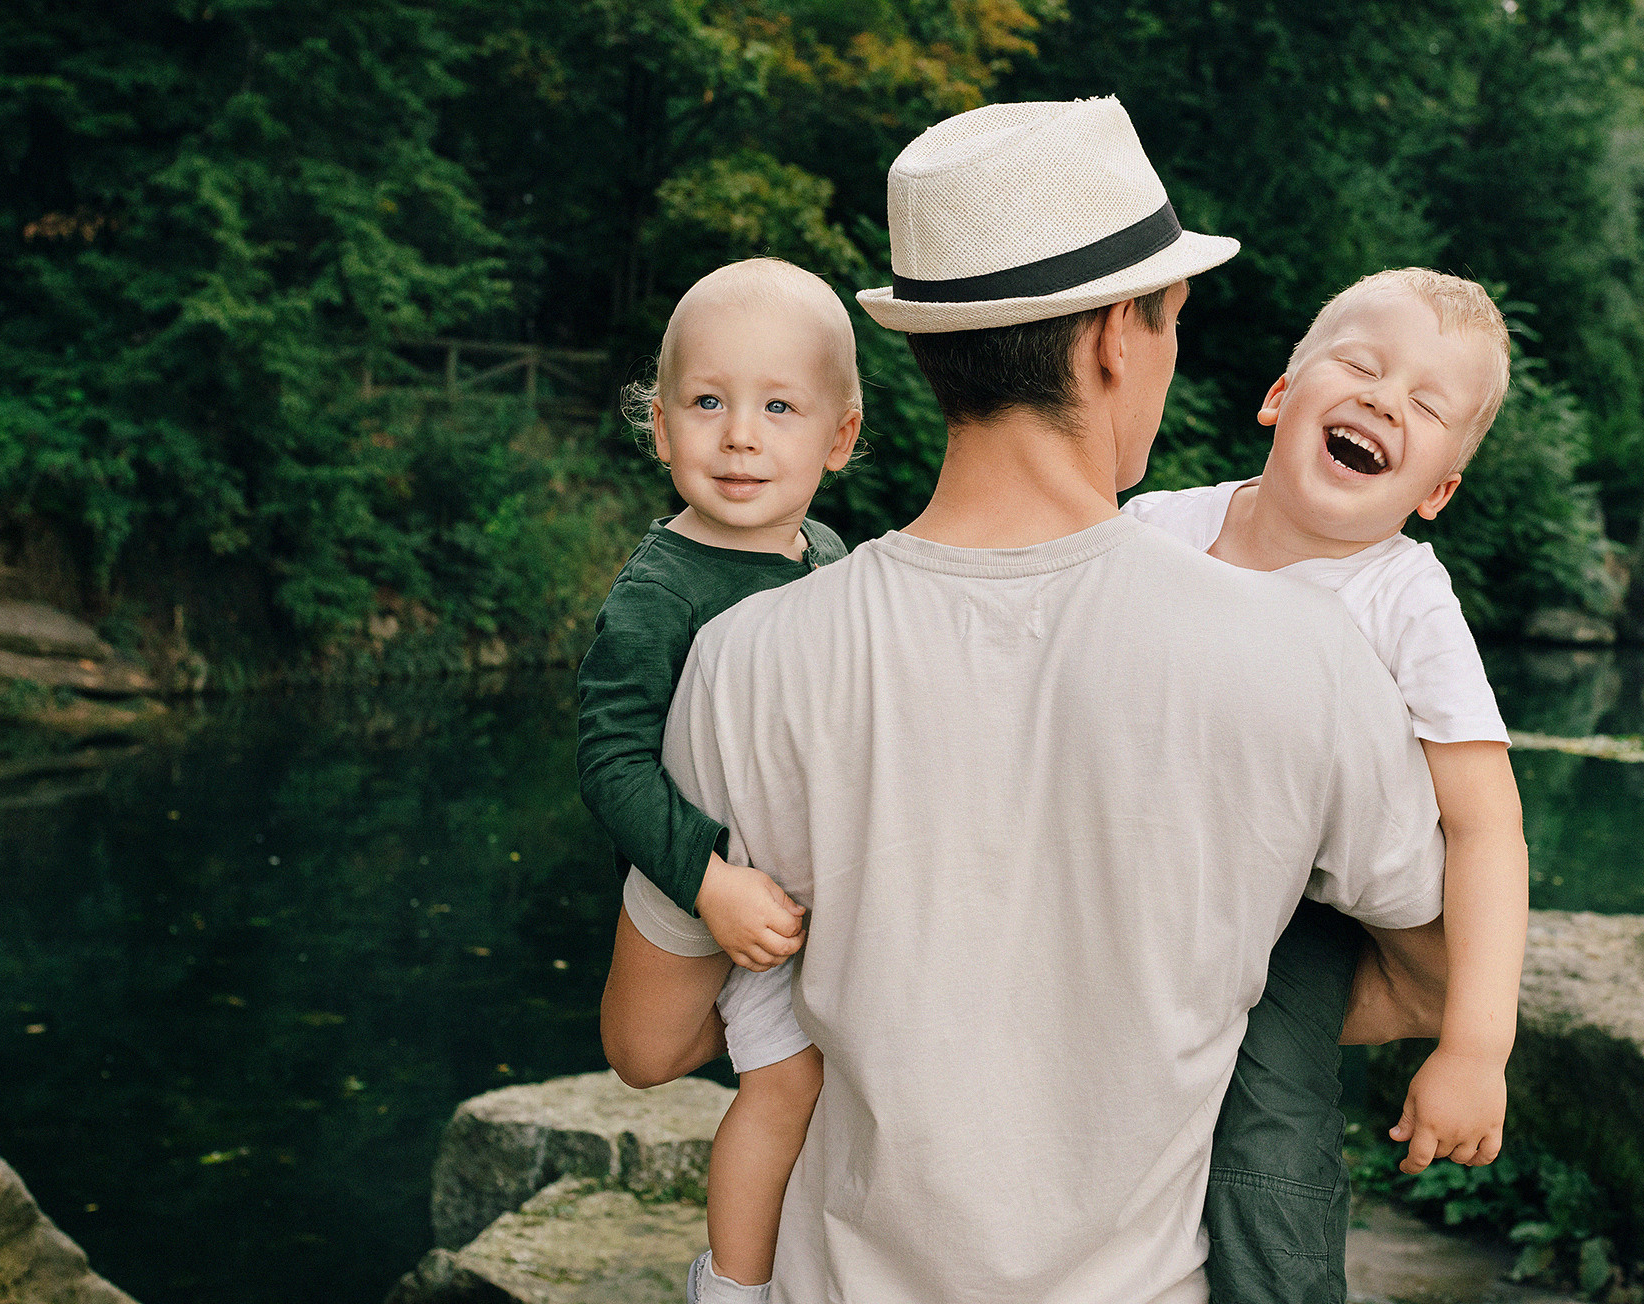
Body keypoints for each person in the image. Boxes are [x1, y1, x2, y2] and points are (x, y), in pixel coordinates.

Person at [602, 96, 1452, 1303]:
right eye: (1169, 325)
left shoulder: (745, 654)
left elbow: (648, 1041)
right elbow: (1428, 978)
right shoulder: (1308, 655)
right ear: (1115, 337)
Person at [1124, 267, 1530, 1303]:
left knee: (1268, 1129)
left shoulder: (1401, 596)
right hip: (1133, 875)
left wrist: (1475, 1043)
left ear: (1434, 490)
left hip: (1292, 912)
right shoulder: (1150, 531)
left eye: (1426, 404)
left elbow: (1483, 825)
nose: (1385, 399)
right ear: (1278, 395)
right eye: (1360, 363)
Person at [575, 257, 861, 1303]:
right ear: (659, 426)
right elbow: (608, 758)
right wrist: (704, 879)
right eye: (707, 402)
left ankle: (734, 1287)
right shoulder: (659, 590)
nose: (740, 434)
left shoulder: (832, 557)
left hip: (795, 897)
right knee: (642, 1055)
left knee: (792, 1082)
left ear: (837, 437)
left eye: (778, 406)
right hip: (696, 878)